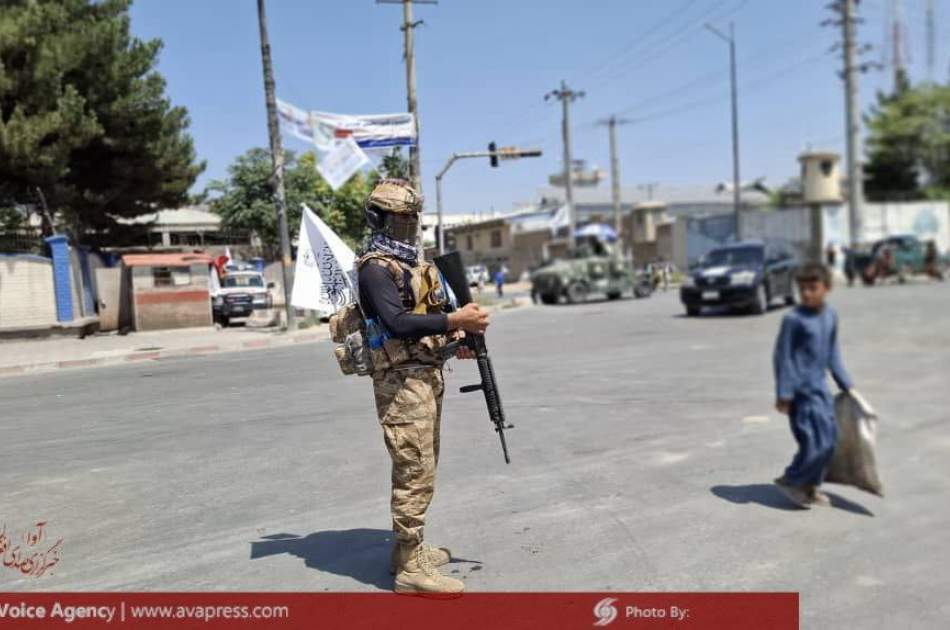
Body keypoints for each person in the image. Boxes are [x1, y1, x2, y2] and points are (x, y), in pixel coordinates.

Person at [357, 179, 490, 594]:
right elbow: (397, 323)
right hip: (400, 384)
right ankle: (411, 570)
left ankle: (406, 550)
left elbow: (426, 316)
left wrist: (456, 338)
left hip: (425, 376)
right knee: (413, 469)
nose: (410, 224)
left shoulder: (411, 262)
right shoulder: (375, 268)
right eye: (402, 216)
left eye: (414, 216)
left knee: (424, 466)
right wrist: (455, 322)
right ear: (379, 218)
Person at [773, 262, 855, 508]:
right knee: (812, 441)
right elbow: (782, 357)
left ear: (826, 288)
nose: (806, 293)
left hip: (820, 391)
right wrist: (784, 393)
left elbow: (832, 353)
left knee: (829, 442)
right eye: (802, 288)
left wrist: (847, 384)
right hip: (800, 395)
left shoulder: (830, 316)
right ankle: (792, 480)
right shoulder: (793, 320)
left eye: (813, 288)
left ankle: (809, 486)